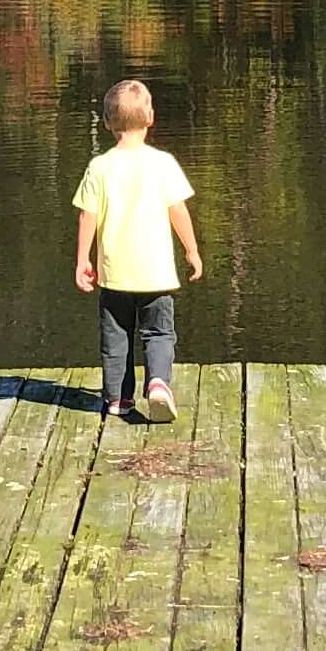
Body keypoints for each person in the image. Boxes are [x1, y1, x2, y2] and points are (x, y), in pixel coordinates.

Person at [71, 77, 202, 423]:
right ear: (150, 118)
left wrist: (83, 258)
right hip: (156, 273)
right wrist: (192, 250)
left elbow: (88, 215)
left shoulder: (99, 167)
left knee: (117, 337)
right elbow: (178, 210)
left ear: (107, 123)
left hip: (115, 276)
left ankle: (118, 398)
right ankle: (158, 382)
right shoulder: (163, 163)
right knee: (159, 332)